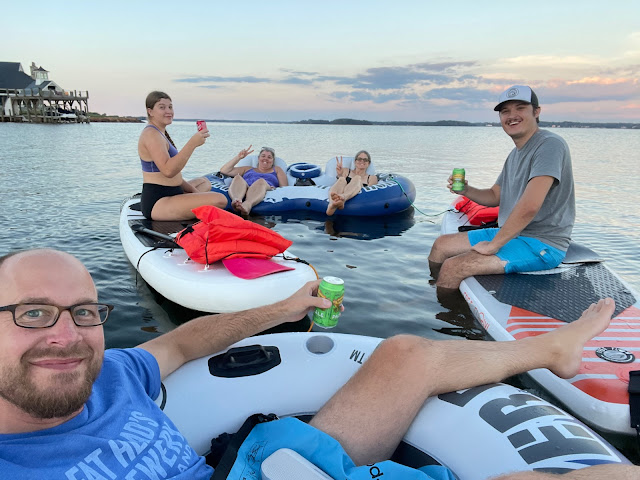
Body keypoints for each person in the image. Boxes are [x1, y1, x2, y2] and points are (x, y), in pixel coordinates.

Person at [1, 248, 637, 479]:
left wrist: (282, 308)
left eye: (83, 312)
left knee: (406, 353)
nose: (66, 334)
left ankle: (555, 348)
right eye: (32, 313)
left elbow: (184, 343)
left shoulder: (113, 374)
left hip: (253, 471)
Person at [428, 85, 575, 291]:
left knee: (453, 267)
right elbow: (496, 195)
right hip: (510, 234)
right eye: (505, 111)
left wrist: (493, 245)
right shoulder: (515, 154)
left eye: (520, 108)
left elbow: (530, 206)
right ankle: (434, 289)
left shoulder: (550, 145)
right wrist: (466, 191)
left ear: (537, 111)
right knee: (441, 245)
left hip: (542, 243)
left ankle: (445, 314)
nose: (512, 115)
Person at [138, 91, 227, 220]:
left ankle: (191, 201)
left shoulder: (160, 133)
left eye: (170, 107)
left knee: (204, 182)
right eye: (162, 107)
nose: (168, 111)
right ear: (150, 111)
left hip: (173, 191)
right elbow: (168, 171)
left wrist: (194, 193)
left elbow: (175, 176)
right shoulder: (151, 134)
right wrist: (192, 144)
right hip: (158, 201)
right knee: (220, 199)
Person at [219, 146, 288, 216]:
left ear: (273, 161)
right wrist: (238, 157)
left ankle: (247, 204)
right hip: (245, 189)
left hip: (264, 189)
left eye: (269, 157)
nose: (265, 159)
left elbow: (285, 188)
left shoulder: (277, 169)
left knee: (261, 181)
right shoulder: (247, 169)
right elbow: (224, 170)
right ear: (258, 158)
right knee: (238, 177)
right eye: (263, 156)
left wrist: (275, 189)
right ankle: (236, 200)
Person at [326, 150, 379, 215]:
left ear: (368, 163)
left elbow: (371, 193)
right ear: (355, 161)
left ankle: (343, 198)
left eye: (365, 160)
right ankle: (332, 204)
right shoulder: (346, 170)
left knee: (357, 178)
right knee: (342, 179)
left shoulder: (372, 177)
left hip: (356, 195)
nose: (362, 161)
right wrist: (339, 174)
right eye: (359, 159)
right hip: (342, 191)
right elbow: (339, 184)